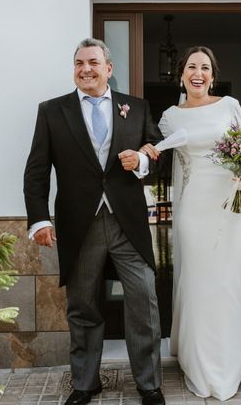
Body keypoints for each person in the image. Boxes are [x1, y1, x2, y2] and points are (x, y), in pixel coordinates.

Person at [23, 38, 164, 405]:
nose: (86, 68)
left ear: (108, 69)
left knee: (144, 298)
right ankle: (85, 383)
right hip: (78, 223)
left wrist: (143, 162)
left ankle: (149, 385)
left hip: (127, 223)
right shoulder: (53, 111)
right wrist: (39, 220)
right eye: (79, 62)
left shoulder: (136, 108)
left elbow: (156, 149)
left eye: (93, 62)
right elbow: (36, 170)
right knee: (83, 304)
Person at [140, 46, 241, 401]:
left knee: (230, 282)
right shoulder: (170, 117)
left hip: (234, 205)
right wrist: (144, 153)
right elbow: (154, 151)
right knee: (200, 283)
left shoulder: (229, 105)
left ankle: (230, 360)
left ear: (213, 75)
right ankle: (200, 362)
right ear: (181, 74)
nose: (198, 73)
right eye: (192, 66)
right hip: (194, 208)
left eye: (205, 67)